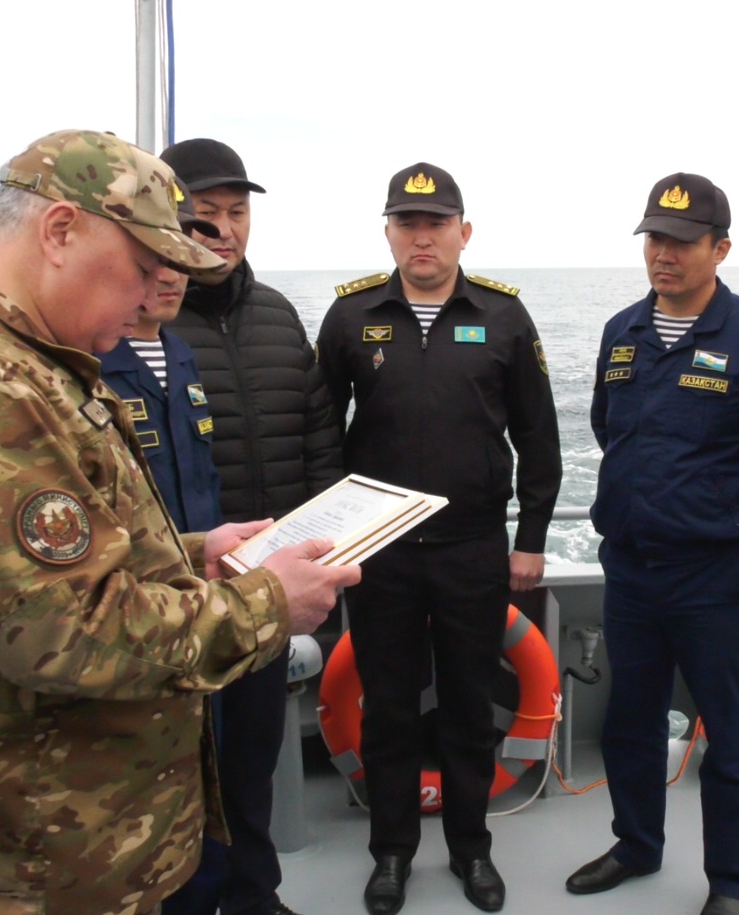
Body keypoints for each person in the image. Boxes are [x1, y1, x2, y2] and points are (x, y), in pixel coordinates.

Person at [0, 128, 360, 913]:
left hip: (84, 841)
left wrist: (193, 554)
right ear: (59, 231)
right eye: (142, 269)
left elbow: (55, 563)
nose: (149, 295)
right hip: (36, 864)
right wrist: (265, 603)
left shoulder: (20, 361)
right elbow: (65, 633)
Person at [317, 162, 562, 914]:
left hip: (471, 549)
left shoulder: (503, 316)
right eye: (407, 224)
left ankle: (470, 849)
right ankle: (391, 852)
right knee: (389, 708)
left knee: (466, 706)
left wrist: (530, 537)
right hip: (379, 553)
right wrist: (329, 538)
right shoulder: (350, 316)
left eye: (436, 224)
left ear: (464, 232)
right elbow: (321, 435)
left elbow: (538, 438)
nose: (421, 238)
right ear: (389, 233)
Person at [569, 173, 739, 915]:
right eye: (654, 239)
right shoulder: (622, 332)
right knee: (629, 723)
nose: (663, 254)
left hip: (715, 576)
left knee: (730, 737)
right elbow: (609, 427)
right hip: (631, 570)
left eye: (682, 242)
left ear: (720, 249)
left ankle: (732, 882)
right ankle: (636, 845)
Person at [160, 136, 343, 915]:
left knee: (252, 758)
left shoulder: (276, 313)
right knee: (180, 772)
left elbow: (317, 435)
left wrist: (327, 551)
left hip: (272, 585)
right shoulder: (144, 322)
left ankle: (254, 896)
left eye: (237, 213)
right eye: (206, 213)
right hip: (186, 595)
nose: (225, 229)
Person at [98, 177, 229, 913]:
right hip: (138, 616)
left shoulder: (180, 356)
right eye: (159, 257)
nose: (172, 275)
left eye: (182, 261)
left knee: (209, 779)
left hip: (199, 599)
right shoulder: (94, 361)